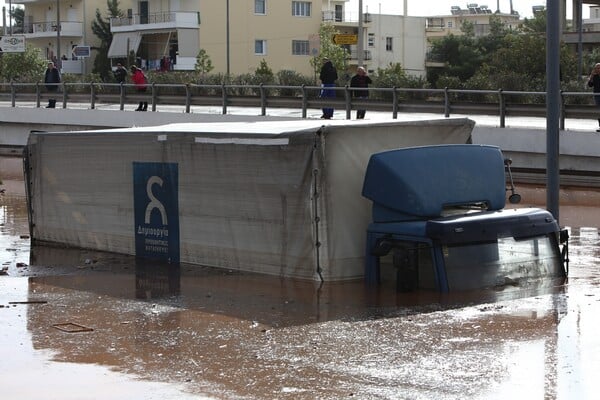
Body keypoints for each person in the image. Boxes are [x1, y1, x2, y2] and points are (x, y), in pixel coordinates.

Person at [588, 62, 600, 132]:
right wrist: (591, 77)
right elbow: (590, 85)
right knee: (599, 111)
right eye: (597, 68)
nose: (598, 69)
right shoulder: (594, 77)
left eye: (599, 68)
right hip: (597, 96)